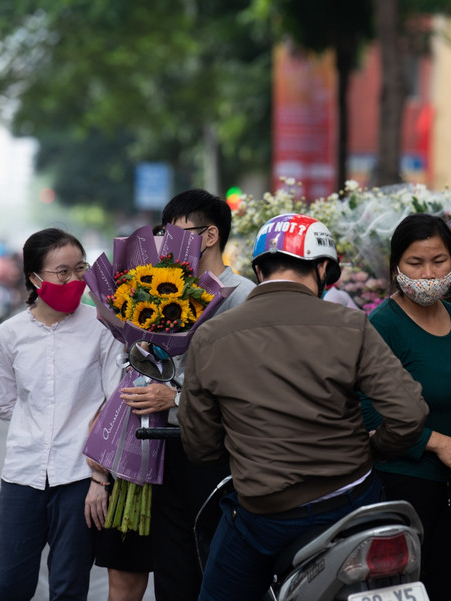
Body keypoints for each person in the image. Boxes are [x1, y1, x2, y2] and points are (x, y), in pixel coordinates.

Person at [177, 212, 430, 601]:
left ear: (259, 270)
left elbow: (200, 446)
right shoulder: (352, 324)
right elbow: (409, 414)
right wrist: (374, 448)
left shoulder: (211, 335)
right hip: (355, 502)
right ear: (324, 268)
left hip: (265, 516)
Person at [108, 189, 255, 601]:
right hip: (162, 446)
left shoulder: (242, 296)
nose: (166, 244)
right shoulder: (162, 290)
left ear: (209, 236)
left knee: (211, 559)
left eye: (176, 234)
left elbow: (243, 381)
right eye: (164, 234)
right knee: (171, 565)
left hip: (215, 449)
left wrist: (173, 398)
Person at [360, 213, 451, 601]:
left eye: (439, 261)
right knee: (409, 590)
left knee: (446, 586)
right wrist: (436, 442)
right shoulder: (383, 324)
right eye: (415, 263)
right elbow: (368, 416)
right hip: (407, 483)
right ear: (396, 265)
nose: (429, 273)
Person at [0, 228, 122, 601]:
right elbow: (5, 402)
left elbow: (114, 401)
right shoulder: (10, 334)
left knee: (68, 587)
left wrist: (100, 478)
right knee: (9, 586)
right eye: (62, 272)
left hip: (79, 478)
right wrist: (35, 429)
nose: (74, 279)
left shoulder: (101, 327)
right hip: (22, 476)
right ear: (34, 277)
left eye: (79, 269)